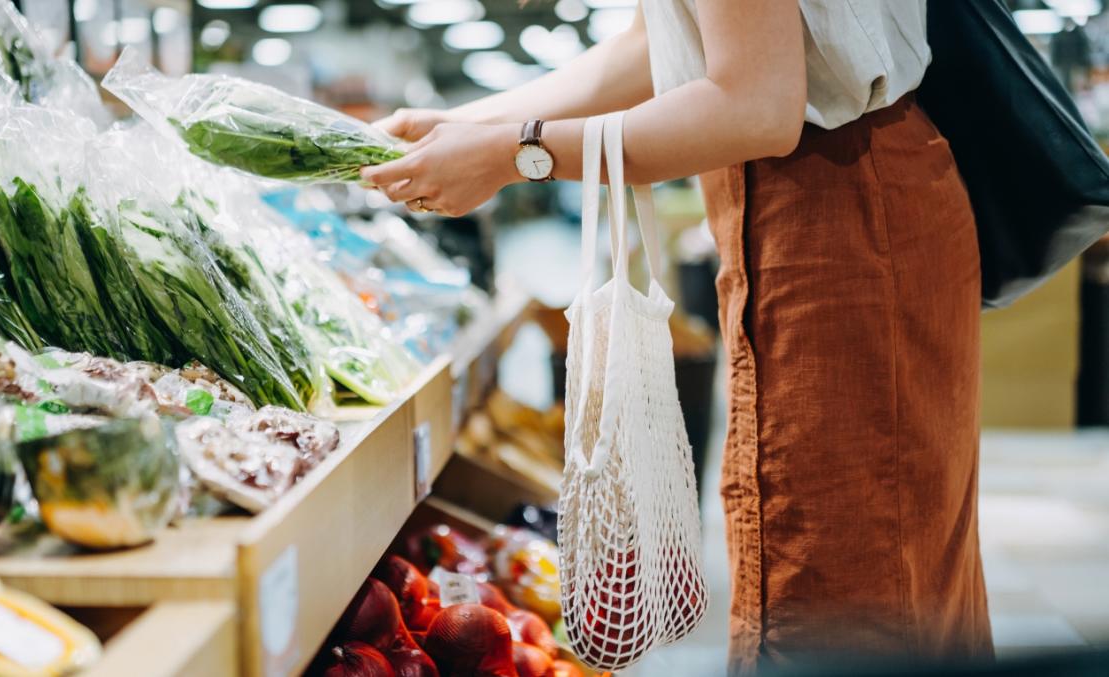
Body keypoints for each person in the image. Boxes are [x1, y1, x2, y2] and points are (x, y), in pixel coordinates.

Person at [361, 1, 993, 673]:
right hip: (821, 196)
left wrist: (515, 152)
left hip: (837, 209)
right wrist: (463, 125)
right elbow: (653, 46)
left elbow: (756, 105)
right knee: (880, 572)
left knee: (848, 591)